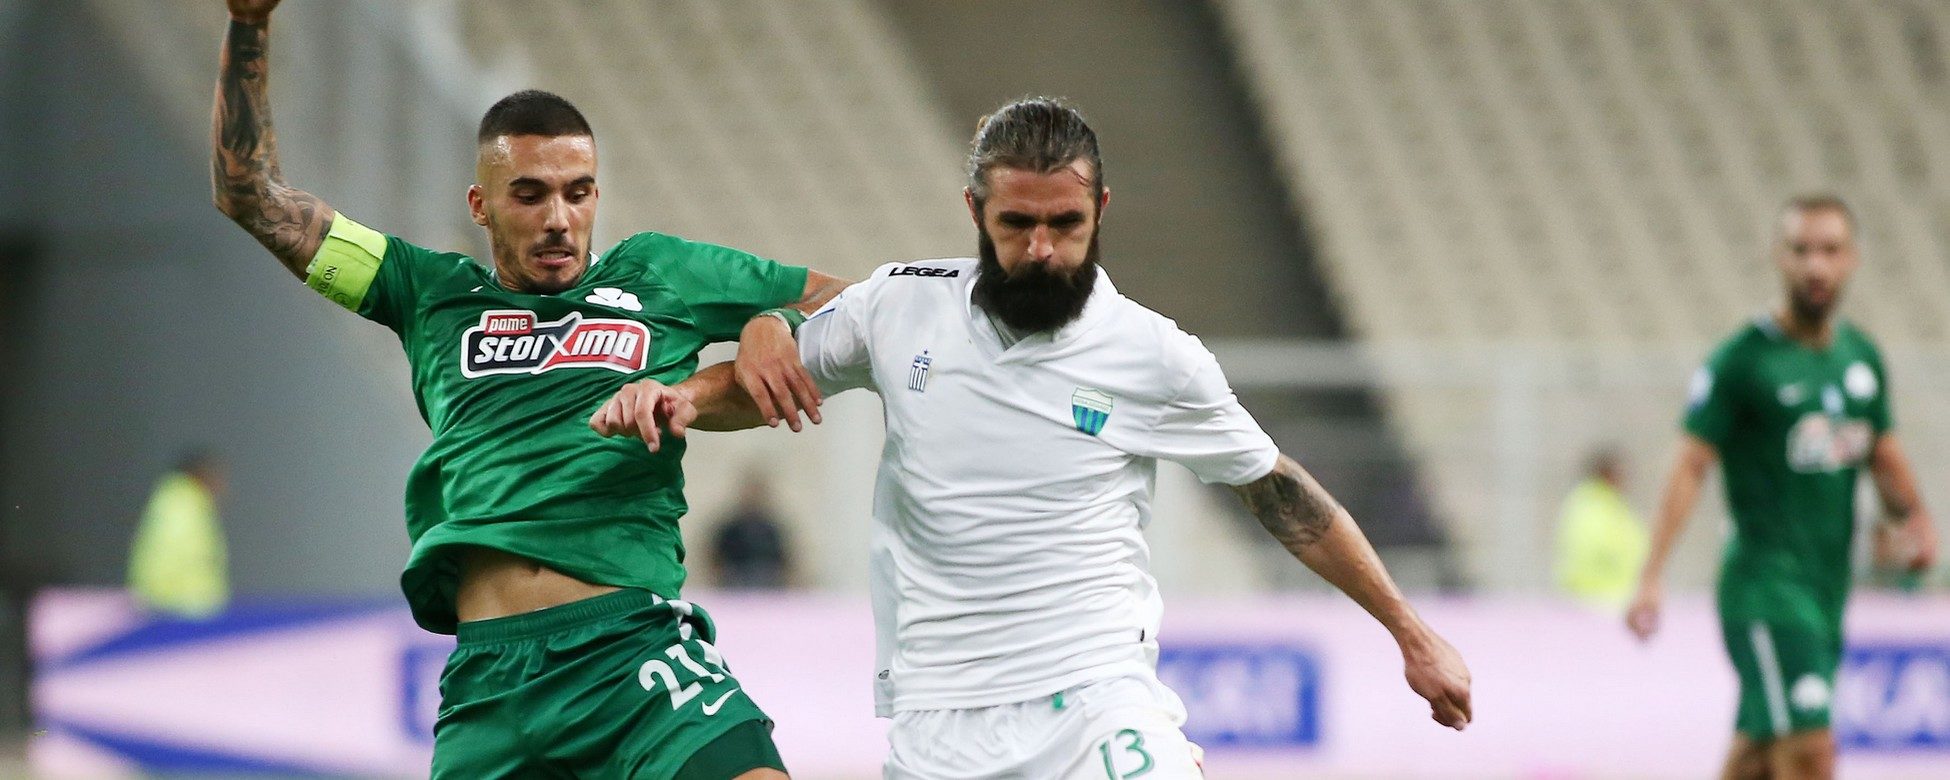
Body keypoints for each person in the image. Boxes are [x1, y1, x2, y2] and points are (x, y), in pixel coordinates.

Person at [594, 98, 1472, 778]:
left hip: (1096, 701)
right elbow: (764, 382)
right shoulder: (900, 305)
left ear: (1101, 208)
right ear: (975, 210)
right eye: (1017, 225)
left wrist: (1411, 632)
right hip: (938, 717)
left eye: (1066, 224)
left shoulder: (1155, 355)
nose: (1043, 248)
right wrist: (682, 396)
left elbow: (1281, 494)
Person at [210, 2, 842, 777]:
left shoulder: (662, 274)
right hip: (490, 684)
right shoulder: (424, 291)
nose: (559, 219)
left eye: (579, 193)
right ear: (480, 206)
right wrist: (249, 24)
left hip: (631, 657)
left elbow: (849, 305)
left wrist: (769, 324)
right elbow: (251, 197)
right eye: (531, 194)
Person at [1626, 195, 1937, 780]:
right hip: (1765, 587)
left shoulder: (1861, 358)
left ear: (1852, 258)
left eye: (1830, 250)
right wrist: (1652, 574)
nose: (1816, 265)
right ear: (1778, 256)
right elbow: (1691, 463)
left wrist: (1916, 520)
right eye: (1801, 250)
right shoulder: (1742, 361)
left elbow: (1883, 453)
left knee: (1759, 755)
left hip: (1826, 589)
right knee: (1811, 749)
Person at [127, 449, 230, 618]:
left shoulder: (176, 501)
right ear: (200, 473)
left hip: (175, 606)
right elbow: (182, 557)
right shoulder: (184, 506)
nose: (221, 485)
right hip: (182, 609)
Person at [1553, 447, 1647, 610]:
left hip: (1613, 597)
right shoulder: (1591, 505)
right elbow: (1597, 547)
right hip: (1595, 598)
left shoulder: (1610, 504)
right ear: (1605, 474)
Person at [711, 473, 794, 590]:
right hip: (735, 585)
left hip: (768, 585)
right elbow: (716, 559)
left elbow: (784, 561)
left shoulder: (771, 531)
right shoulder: (731, 529)